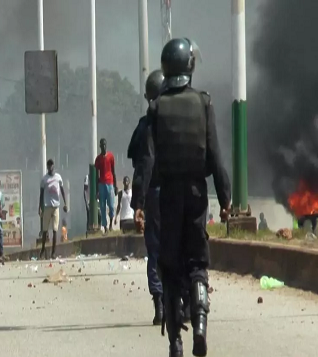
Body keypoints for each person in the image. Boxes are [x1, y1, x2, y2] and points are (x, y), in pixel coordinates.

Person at [131, 38, 231, 357]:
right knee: (197, 263)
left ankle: (175, 341)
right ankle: (200, 326)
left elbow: (145, 162)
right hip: (197, 196)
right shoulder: (204, 103)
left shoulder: (156, 108)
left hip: (168, 196)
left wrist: (138, 204)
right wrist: (226, 199)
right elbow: (215, 155)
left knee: (170, 265)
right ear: (189, 66)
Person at [127, 69, 165, 326]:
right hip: (181, 193)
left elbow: (141, 166)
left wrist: (138, 204)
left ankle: (160, 303)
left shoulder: (145, 126)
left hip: (154, 194)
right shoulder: (187, 119)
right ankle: (188, 301)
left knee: (155, 249)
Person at [39, 159, 68, 260]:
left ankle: (53, 252)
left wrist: (65, 203)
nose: (50, 167)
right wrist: (40, 207)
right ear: (47, 167)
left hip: (56, 206)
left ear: (54, 166)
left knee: (55, 230)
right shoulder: (44, 179)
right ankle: (42, 249)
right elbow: (41, 194)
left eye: (52, 165)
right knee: (45, 230)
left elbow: (62, 191)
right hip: (47, 206)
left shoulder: (58, 177)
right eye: (49, 165)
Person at [94, 138, 117, 233]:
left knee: (111, 206)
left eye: (105, 145)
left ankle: (111, 224)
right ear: (100, 146)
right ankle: (105, 227)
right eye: (102, 145)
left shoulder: (111, 156)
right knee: (102, 207)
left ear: (106, 145)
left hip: (110, 183)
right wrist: (97, 190)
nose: (103, 146)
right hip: (101, 184)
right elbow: (96, 175)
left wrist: (115, 185)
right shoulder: (98, 159)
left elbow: (113, 171)